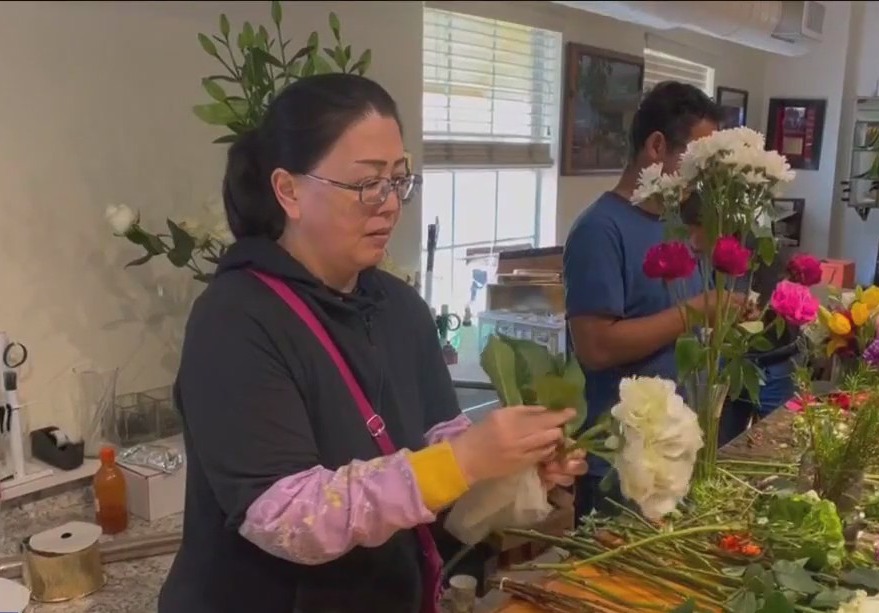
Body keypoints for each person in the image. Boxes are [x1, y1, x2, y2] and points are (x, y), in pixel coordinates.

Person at [158, 74, 586, 613]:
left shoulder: (399, 308)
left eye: (398, 180)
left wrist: (510, 467)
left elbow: (441, 470)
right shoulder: (235, 319)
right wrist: (463, 460)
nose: (388, 204)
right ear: (288, 190)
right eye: (366, 184)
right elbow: (288, 517)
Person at [563, 82, 731, 521]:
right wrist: (697, 309)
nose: (702, 174)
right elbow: (596, 347)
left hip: (676, 454)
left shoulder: (672, 223)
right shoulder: (600, 230)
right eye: (696, 159)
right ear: (657, 146)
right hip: (621, 465)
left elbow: (680, 323)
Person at [679, 194, 802, 446]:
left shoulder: (754, 248)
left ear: (714, 224)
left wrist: (750, 313)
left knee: (777, 447)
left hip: (774, 362)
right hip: (729, 361)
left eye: (694, 232)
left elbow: (761, 309)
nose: (692, 243)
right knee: (722, 447)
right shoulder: (696, 255)